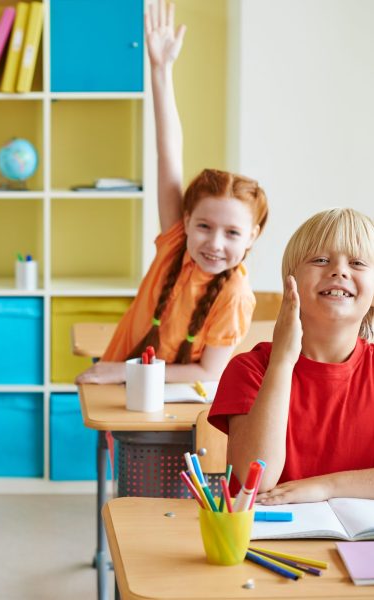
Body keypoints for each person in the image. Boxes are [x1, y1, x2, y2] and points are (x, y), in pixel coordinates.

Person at [76, 1, 268, 385]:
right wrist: (160, 71)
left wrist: (118, 372)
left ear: (253, 236)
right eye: (204, 226)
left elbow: (208, 372)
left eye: (231, 233)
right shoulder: (177, 244)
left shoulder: (234, 294)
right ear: (185, 221)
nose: (214, 243)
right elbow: (169, 152)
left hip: (166, 409)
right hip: (120, 390)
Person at [209, 208, 374, 503]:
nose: (339, 271)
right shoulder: (249, 369)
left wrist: (326, 487)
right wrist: (283, 361)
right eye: (321, 260)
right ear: (291, 281)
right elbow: (255, 479)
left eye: (358, 262)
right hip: (270, 543)